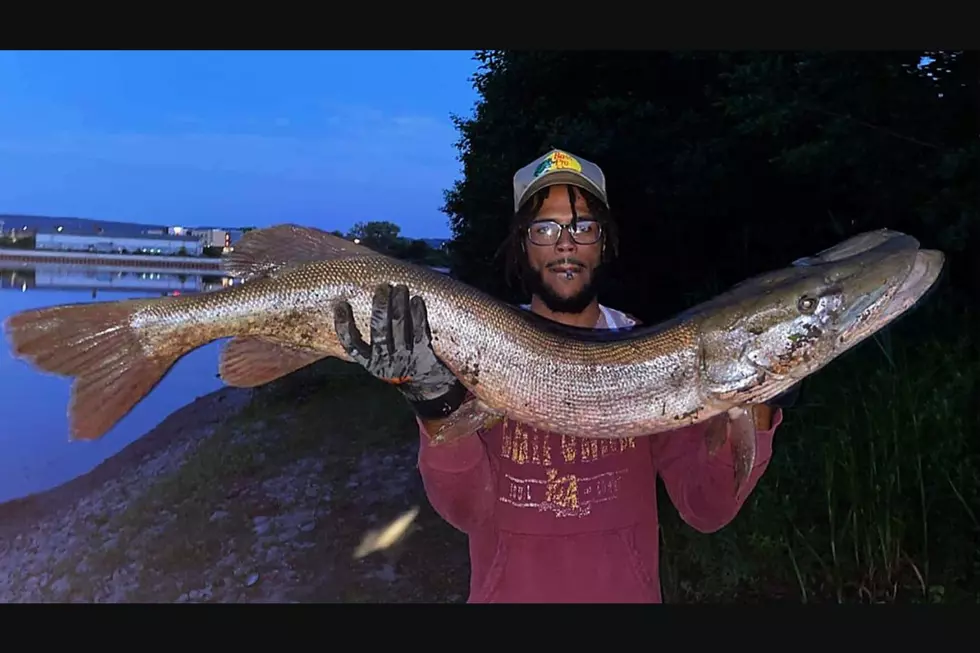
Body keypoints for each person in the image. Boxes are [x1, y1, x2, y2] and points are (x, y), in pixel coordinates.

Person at [332, 148, 792, 603]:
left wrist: (760, 402)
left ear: (604, 243)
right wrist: (436, 403)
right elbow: (466, 509)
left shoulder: (651, 352)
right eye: (545, 227)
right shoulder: (471, 349)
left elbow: (706, 507)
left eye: (584, 226)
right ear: (522, 245)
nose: (565, 242)